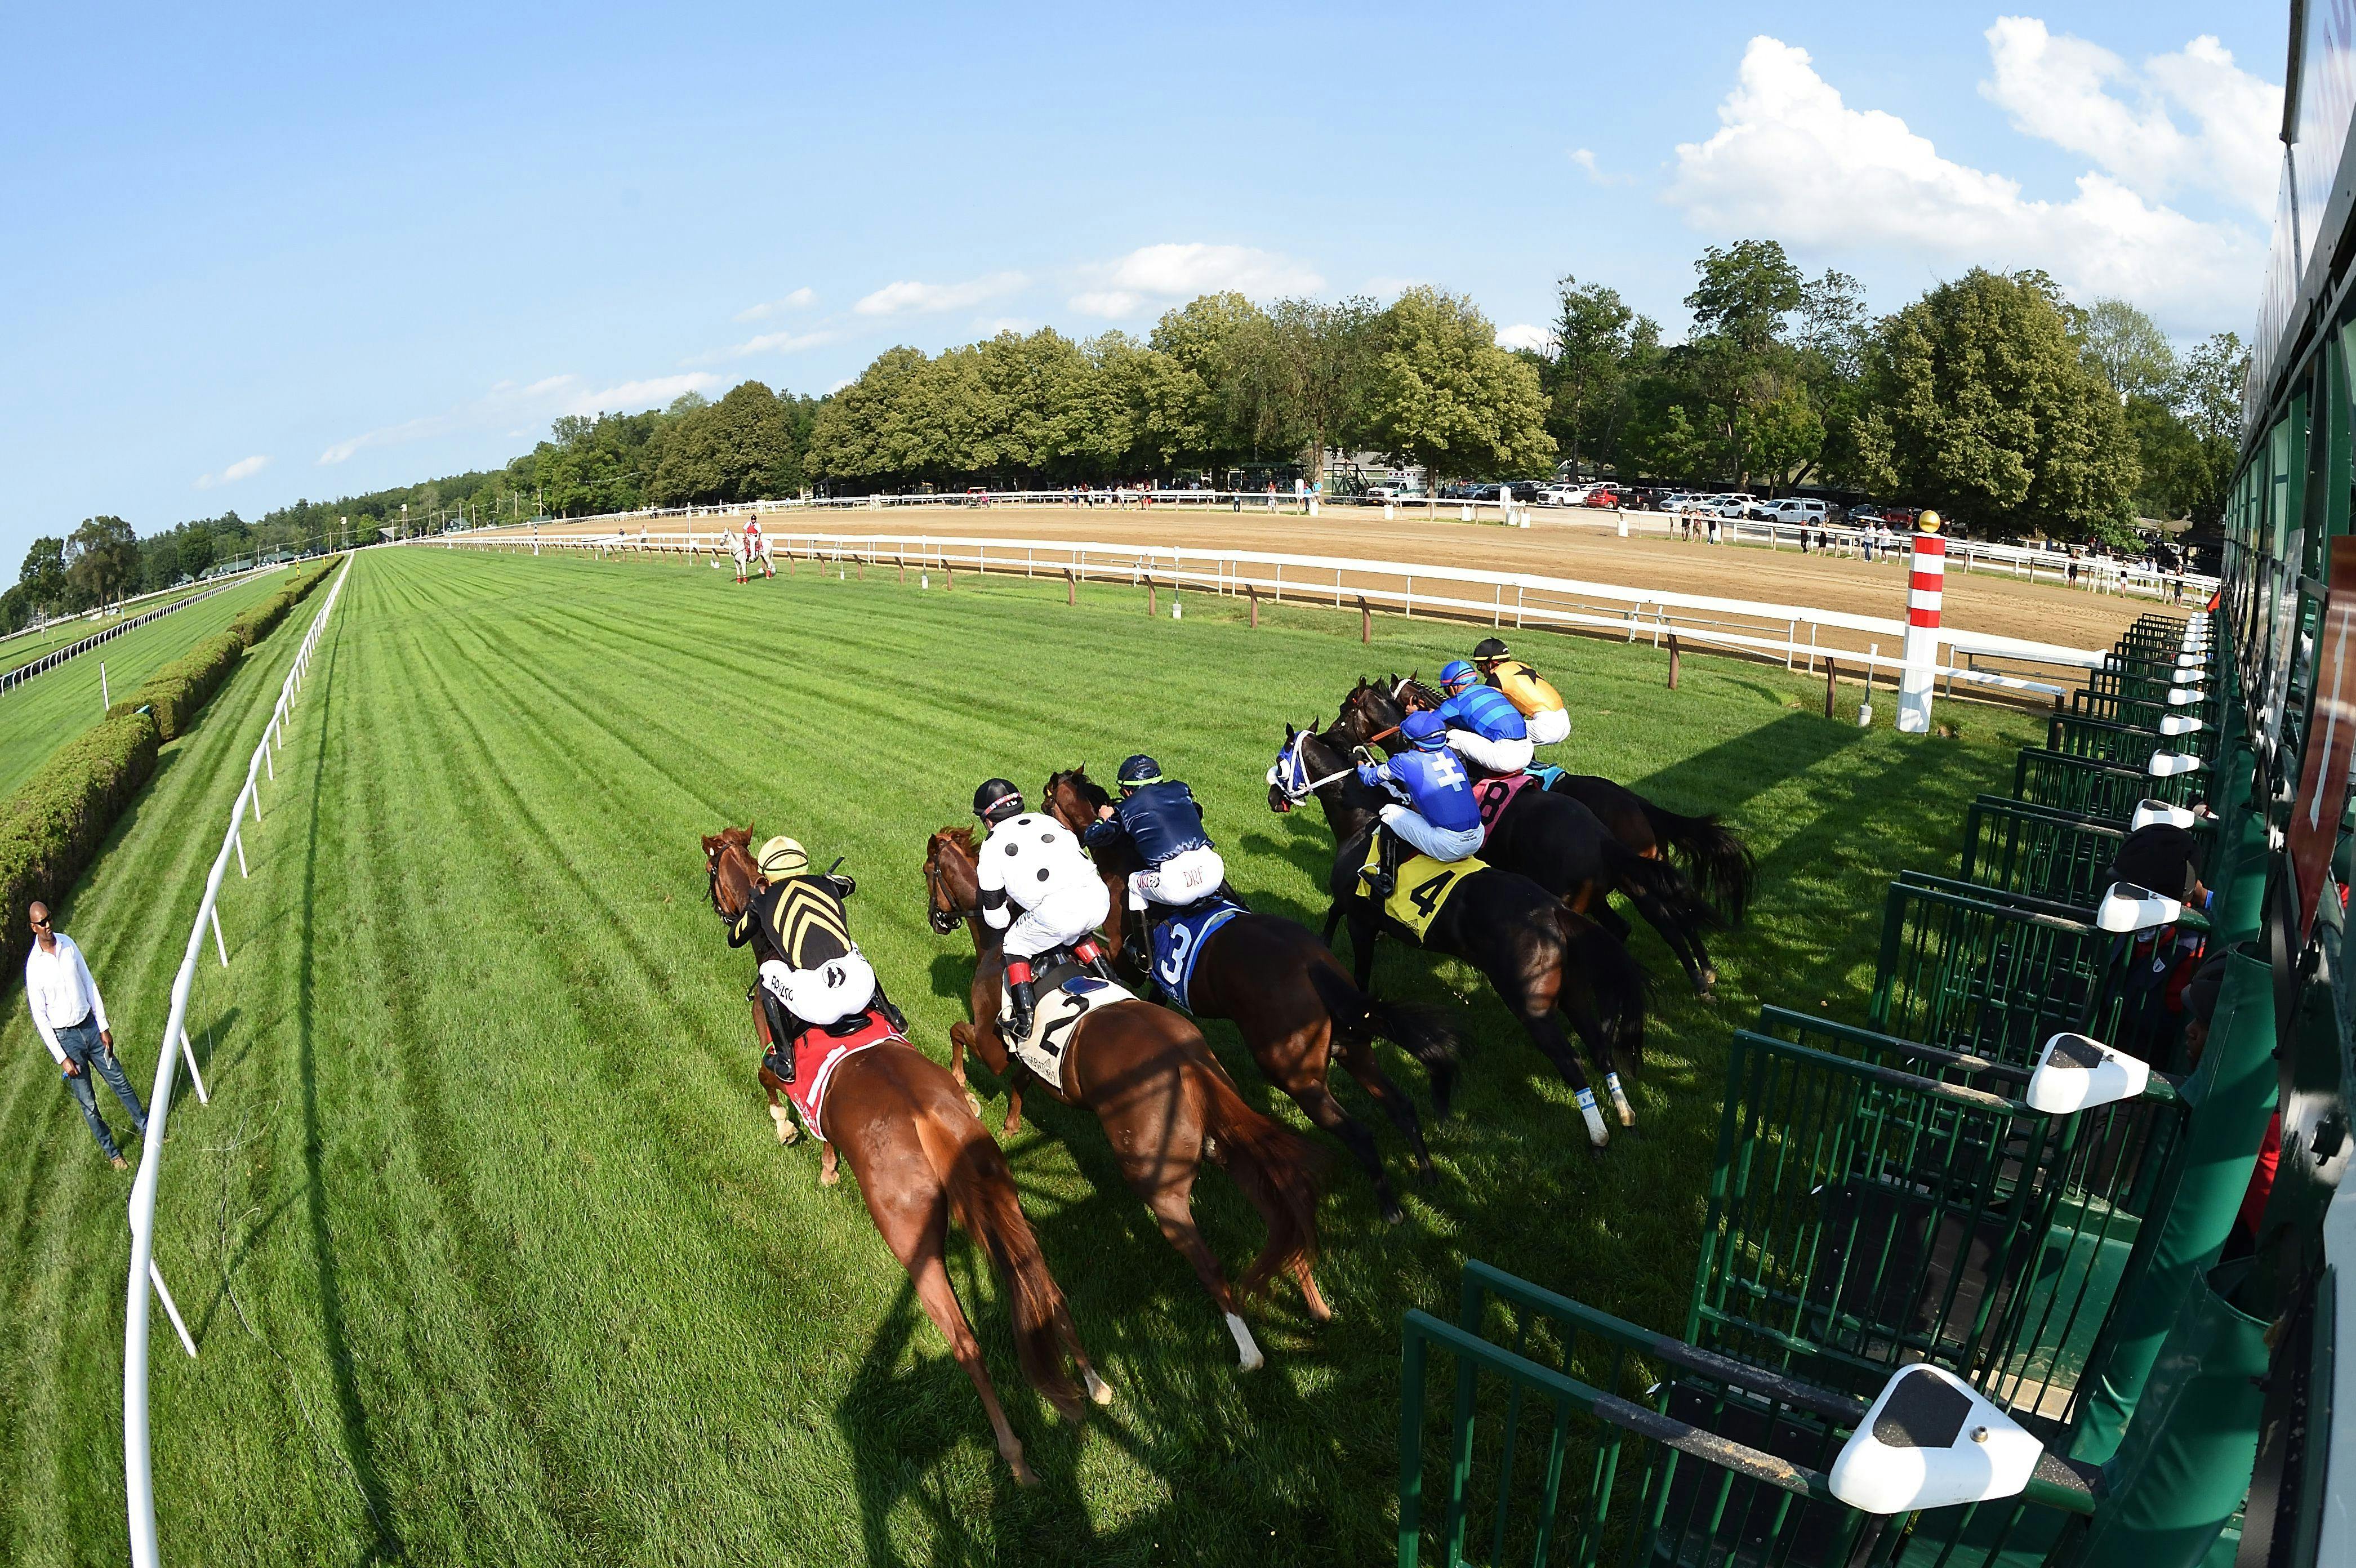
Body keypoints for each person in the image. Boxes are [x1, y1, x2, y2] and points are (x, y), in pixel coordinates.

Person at [727, 836, 899, 1079]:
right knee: (852, 948)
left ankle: (786, 1061)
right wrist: (826, 881)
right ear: (804, 865)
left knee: (767, 972)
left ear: (766, 876)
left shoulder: (762, 902)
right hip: (862, 991)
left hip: (818, 1007)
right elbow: (850, 884)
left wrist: (756, 904)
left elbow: (734, 938)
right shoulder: (826, 885)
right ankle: (891, 1013)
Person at [973, 779, 1115, 1045]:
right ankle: (1111, 978)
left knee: (1014, 942)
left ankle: (1024, 1018)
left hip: (1059, 912)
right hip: (1098, 898)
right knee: (1075, 930)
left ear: (988, 820)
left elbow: (996, 917)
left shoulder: (991, 847)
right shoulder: (1046, 821)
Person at [24, 902, 146, 1170]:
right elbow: (41, 1018)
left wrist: (103, 1025)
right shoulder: (34, 968)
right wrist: (62, 1058)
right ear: (34, 928)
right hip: (68, 1041)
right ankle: (114, 1154)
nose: (48, 926)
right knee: (89, 1104)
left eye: (49, 919)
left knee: (120, 1081)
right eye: (42, 923)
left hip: (90, 1027)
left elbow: (89, 983)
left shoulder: (68, 944)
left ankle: (147, 1128)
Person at [1083, 755, 1227, 963]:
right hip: (1214, 871)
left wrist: (1103, 817)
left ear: (1127, 792)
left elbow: (1092, 836)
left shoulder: (1127, 807)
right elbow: (1197, 811)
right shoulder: (1180, 788)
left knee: (1133, 883)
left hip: (1177, 886)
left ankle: (1144, 953)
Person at [1356, 713, 1484, 899]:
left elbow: (1369, 778)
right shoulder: (1450, 753)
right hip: (1478, 836)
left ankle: (1386, 880)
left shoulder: (1405, 761)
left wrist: (1359, 762)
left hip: (1449, 845)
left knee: (1389, 813)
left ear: (1412, 741)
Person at [1435, 660, 1535, 775]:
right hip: (1528, 750)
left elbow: (1428, 721)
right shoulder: (1489, 690)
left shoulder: (1460, 699)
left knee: (1453, 735)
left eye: (1447, 689)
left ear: (1454, 687)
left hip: (1506, 759)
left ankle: (1461, 777)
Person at [1469, 638, 1569, 747]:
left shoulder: (1496, 678)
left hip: (1545, 727)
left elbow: (1487, 710)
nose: (1482, 672)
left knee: (1490, 729)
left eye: (1481, 666)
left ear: (1491, 663)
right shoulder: (1520, 665)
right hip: (1564, 720)